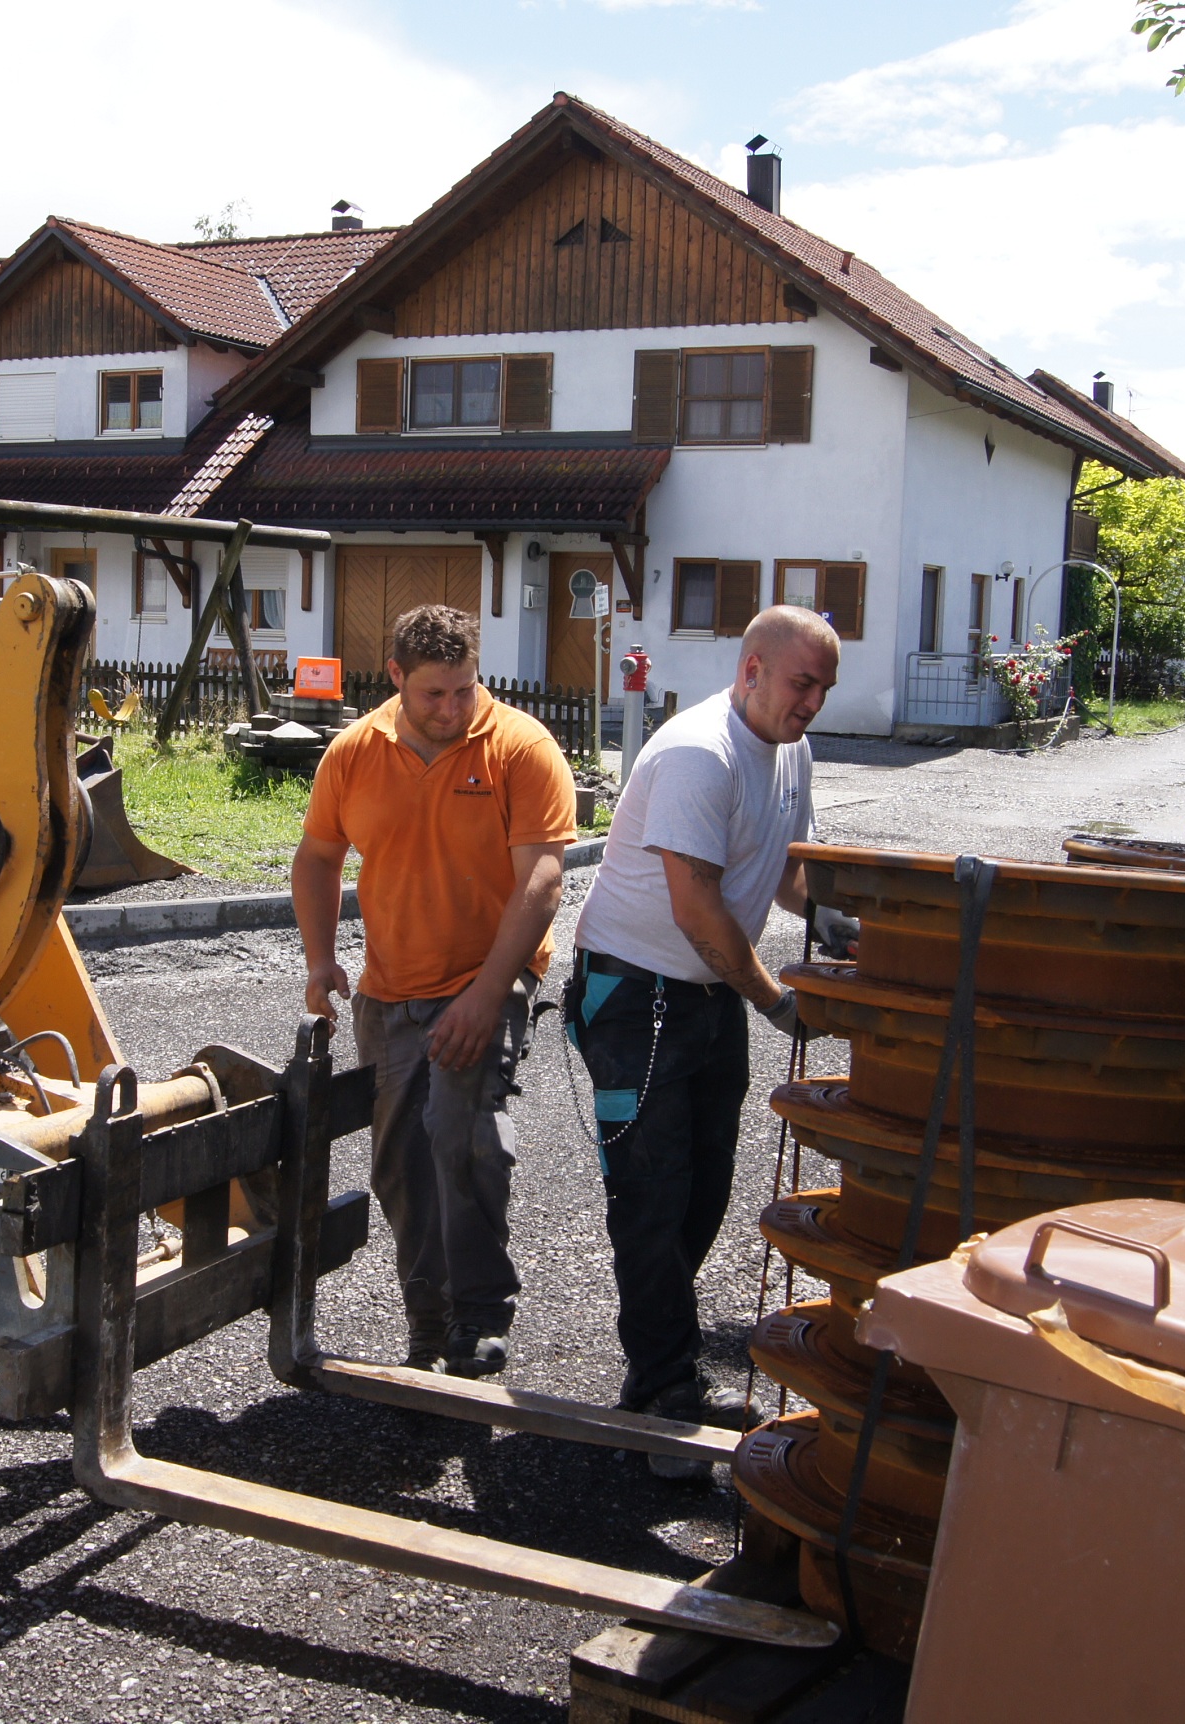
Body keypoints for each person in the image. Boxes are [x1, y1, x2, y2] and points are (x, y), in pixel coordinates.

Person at [566, 604, 852, 1476]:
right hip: (634, 995)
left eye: (824, 689)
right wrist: (777, 1002)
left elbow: (784, 865)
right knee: (652, 1198)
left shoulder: (790, 749)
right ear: (752, 670)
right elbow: (696, 907)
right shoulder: (700, 753)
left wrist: (833, 916)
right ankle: (663, 1394)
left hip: (707, 992)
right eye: (802, 683)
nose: (812, 703)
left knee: (703, 1192)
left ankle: (660, 1370)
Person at [293, 605, 578, 1377]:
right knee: (402, 1169)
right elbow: (316, 858)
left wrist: (486, 996)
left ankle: (480, 1315)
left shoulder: (521, 747)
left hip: (489, 977)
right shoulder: (355, 752)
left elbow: (543, 881)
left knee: (462, 1128)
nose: (452, 709)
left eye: (464, 690)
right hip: (388, 992)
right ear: (395, 677)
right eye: (433, 695)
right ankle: (430, 1328)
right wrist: (320, 960)